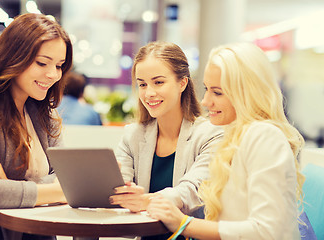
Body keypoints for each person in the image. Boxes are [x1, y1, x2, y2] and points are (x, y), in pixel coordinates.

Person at [147, 42, 305, 240]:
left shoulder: (265, 137)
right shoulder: (231, 136)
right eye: (207, 89)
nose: (205, 101)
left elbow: (266, 232)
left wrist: (184, 224)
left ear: (247, 93)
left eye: (217, 92)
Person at [0, 13, 73, 240]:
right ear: (13, 57)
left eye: (59, 65)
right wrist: (56, 191)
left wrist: (6, 183)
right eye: (42, 63)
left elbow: (67, 179)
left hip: (41, 234)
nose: (53, 74)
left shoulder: (45, 114)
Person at [109, 41, 223, 239]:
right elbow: (121, 186)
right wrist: (122, 189)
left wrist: (145, 200)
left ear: (182, 83)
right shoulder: (132, 135)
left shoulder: (211, 134)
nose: (149, 93)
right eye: (142, 84)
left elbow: (193, 190)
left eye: (158, 82)